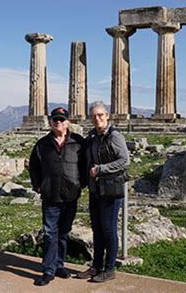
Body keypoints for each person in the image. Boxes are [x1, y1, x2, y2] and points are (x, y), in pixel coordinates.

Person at [28, 107, 87, 286]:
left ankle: (59, 264)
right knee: (49, 233)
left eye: (62, 119)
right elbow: (34, 167)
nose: (58, 122)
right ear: (50, 122)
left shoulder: (78, 142)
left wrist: (80, 184)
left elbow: (85, 165)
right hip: (50, 196)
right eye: (55, 120)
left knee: (63, 233)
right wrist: (38, 186)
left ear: (67, 121)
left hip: (70, 196)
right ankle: (48, 269)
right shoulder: (42, 144)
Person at [76, 101, 130, 283]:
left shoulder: (115, 136)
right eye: (93, 116)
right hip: (95, 190)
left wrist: (101, 169)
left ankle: (109, 269)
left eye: (100, 115)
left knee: (109, 229)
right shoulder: (93, 137)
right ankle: (96, 266)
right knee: (97, 229)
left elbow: (125, 160)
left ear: (107, 116)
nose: (97, 118)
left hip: (111, 190)